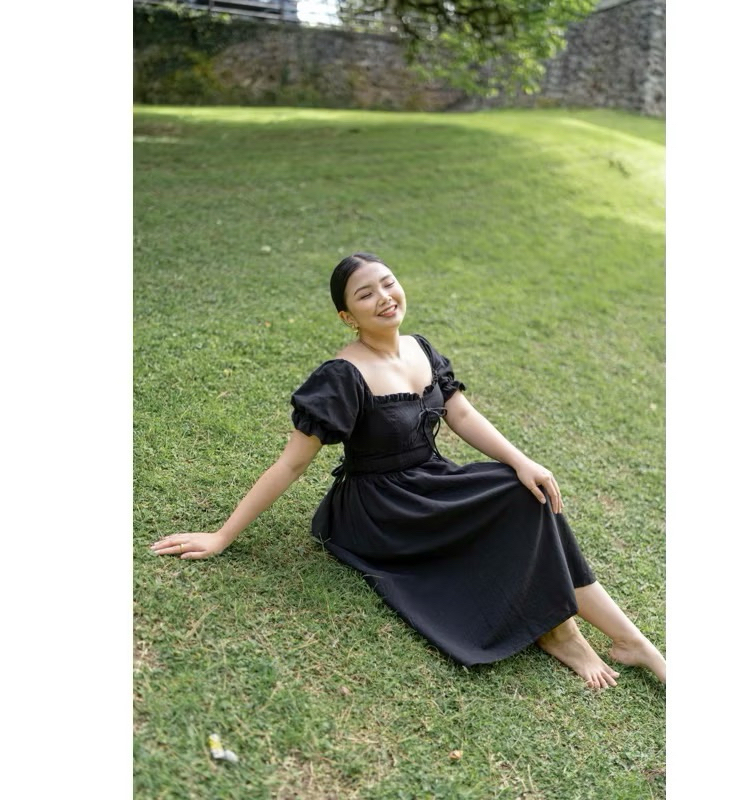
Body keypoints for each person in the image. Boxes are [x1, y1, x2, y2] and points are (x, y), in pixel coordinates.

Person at [151, 253, 666, 688]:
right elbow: (291, 463)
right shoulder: (341, 376)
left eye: (388, 283)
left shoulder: (420, 347)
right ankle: (570, 632)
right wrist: (222, 536)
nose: (384, 297)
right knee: (516, 505)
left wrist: (521, 459)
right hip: (379, 510)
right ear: (347, 316)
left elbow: (461, 413)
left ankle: (627, 640)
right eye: (365, 294)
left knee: (522, 489)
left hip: (429, 480)